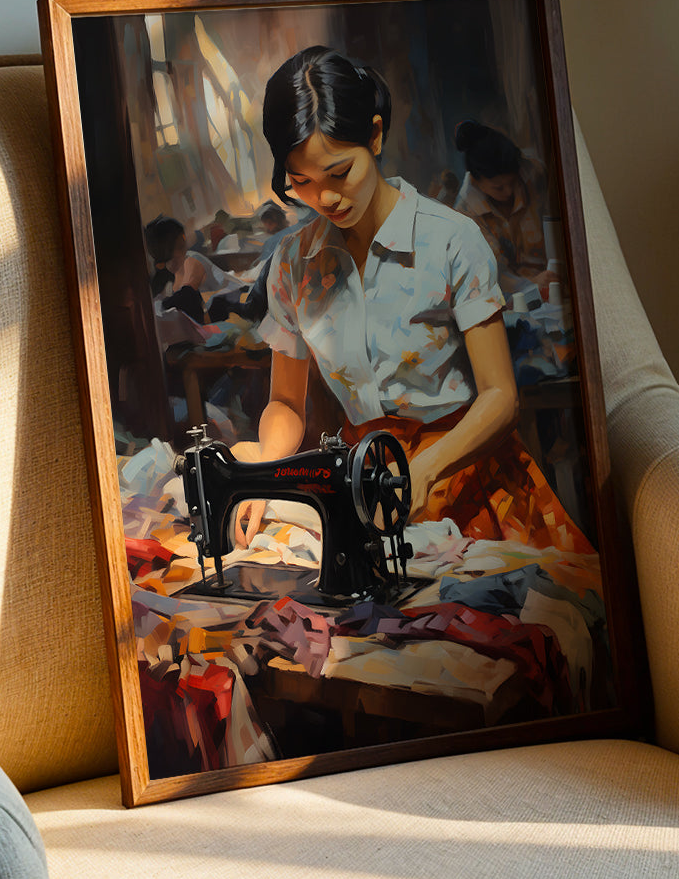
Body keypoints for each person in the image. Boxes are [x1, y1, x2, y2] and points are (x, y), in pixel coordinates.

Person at [233, 45, 589, 554]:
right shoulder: (294, 264)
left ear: (375, 136)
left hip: (468, 479)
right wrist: (266, 467)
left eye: (339, 173)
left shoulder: (450, 241)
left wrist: (425, 469)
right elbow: (286, 402)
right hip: (371, 483)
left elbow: (501, 397)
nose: (325, 198)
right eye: (302, 182)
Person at [451, 120, 554, 297]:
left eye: (512, 182)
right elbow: (491, 274)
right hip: (510, 297)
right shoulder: (465, 213)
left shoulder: (535, 174)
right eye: (498, 188)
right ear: (476, 181)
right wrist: (533, 284)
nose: (509, 192)